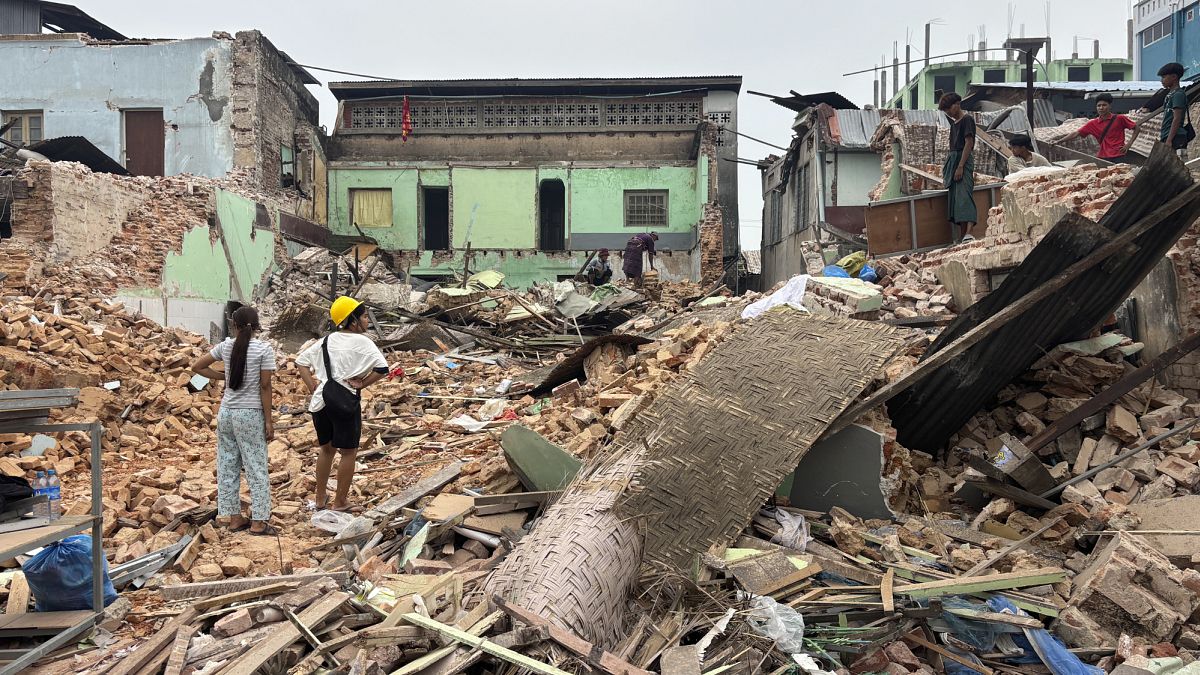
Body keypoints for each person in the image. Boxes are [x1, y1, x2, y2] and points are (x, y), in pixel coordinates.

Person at [296, 297, 388, 511]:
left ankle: (320, 499)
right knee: (348, 452)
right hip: (345, 401)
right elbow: (383, 369)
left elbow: (301, 362)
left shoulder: (326, 341)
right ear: (352, 320)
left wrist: (313, 387)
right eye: (364, 317)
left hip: (321, 401)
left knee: (326, 450)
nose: (367, 321)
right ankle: (340, 502)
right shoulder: (364, 343)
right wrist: (363, 383)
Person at [190, 306, 277, 535]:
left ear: (234, 325)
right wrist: (269, 421)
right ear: (257, 326)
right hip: (250, 413)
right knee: (256, 466)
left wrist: (223, 377)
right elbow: (265, 386)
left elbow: (197, 366)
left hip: (226, 412)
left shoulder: (226, 346)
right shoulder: (264, 350)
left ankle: (234, 518)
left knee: (227, 465)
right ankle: (258, 521)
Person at [938, 93, 980, 242]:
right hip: (954, 161)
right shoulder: (954, 124)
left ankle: (969, 232)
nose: (948, 112)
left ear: (957, 104)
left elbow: (969, 143)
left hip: (963, 161)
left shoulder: (967, 119)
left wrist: (961, 166)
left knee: (964, 196)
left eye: (948, 108)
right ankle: (962, 236)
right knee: (956, 200)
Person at [1056, 93, 1140, 163]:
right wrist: (1059, 141)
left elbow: (1136, 128)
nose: (1101, 108)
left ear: (1110, 106)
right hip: (1103, 157)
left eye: (1104, 105)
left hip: (1119, 155)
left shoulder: (1120, 118)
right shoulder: (1093, 123)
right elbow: (1075, 133)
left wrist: (1129, 144)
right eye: (1099, 105)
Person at [1158, 62, 1191, 159]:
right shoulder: (1170, 95)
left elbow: (1177, 118)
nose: (1162, 80)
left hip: (1175, 137)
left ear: (1174, 77)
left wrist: (1169, 140)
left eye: (1164, 77)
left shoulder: (1178, 95)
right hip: (1167, 135)